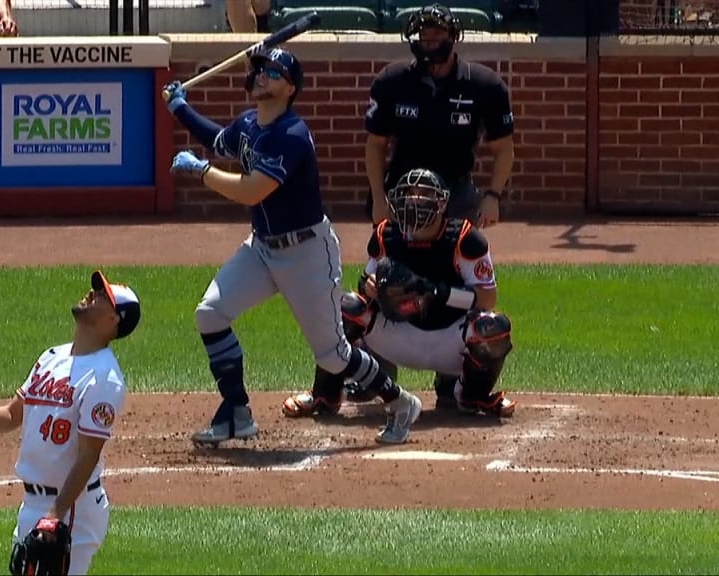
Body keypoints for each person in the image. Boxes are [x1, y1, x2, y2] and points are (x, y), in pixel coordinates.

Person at [163, 47, 423, 446]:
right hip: (262, 248)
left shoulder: (291, 136)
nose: (262, 75)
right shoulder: (249, 123)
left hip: (306, 255)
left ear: (290, 88)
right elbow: (218, 140)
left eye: (273, 72)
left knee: (332, 355)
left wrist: (202, 173)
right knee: (210, 314)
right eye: (261, 69)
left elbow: (252, 191)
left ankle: (399, 401)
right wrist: (180, 106)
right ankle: (236, 411)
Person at [0, 270, 141, 576]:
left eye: (103, 297)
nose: (92, 295)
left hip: (71, 508)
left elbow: (88, 455)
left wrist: (55, 514)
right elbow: (13, 414)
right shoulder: (51, 357)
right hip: (33, 505)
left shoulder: (104, 378)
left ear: (113, 321)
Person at [282, 168, 516, 419]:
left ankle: (473, 396)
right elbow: (366, 282)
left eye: (423, 194)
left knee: (494, 327)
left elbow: (487, 298)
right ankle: (325, 395)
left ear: (441, 202)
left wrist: (435, 292)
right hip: (399, 335)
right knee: (344, 307)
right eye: (409, 194)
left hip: (450, 339)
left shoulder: (465, 239)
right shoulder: (386, 235)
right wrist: (370, 287)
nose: (415, 200)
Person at [364, 3, 516, 229]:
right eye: (424, 34)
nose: (429, 40)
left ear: (453, 37)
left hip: (455, 187)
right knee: (390, 260)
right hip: (403, 188)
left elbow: (503, 147)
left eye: (437, 33)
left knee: (459, 257)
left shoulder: (484, 85)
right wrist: (378, 197)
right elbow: (376, 144)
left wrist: (493, 196)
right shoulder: (391, 81)